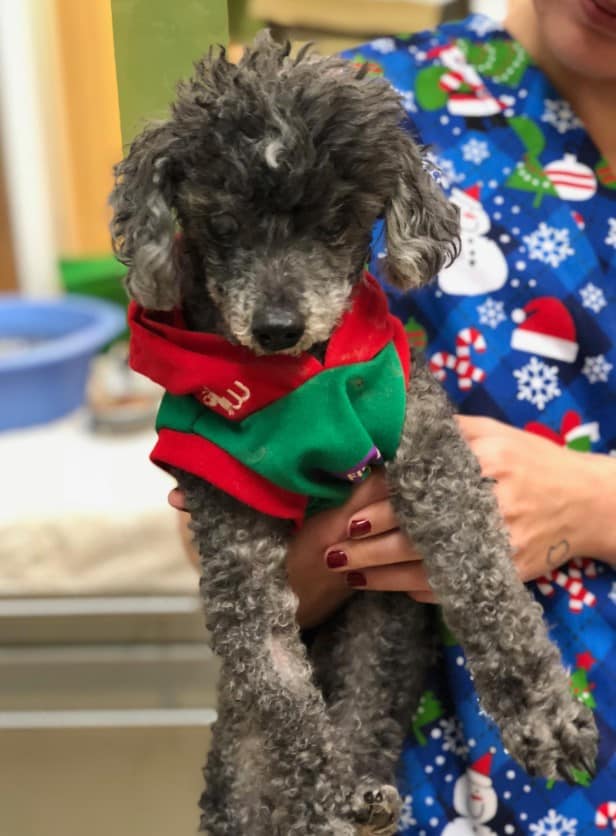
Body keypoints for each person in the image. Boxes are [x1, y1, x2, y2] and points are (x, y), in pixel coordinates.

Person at [170, 0, 616, 830]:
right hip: (414, 753)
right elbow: (224, 490)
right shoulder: (348, 112)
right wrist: (330, 553)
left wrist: (595, 503)